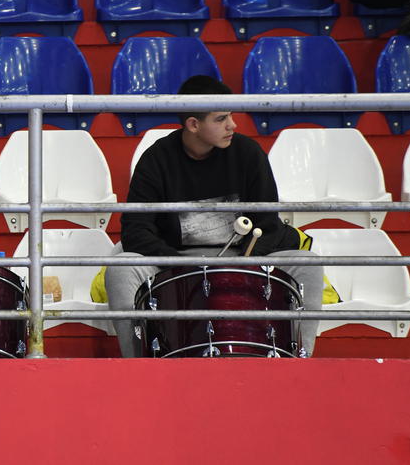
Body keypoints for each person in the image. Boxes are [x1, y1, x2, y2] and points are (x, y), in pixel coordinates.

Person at [105, 75, 323, 358]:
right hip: (175, 262)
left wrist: (241, 264)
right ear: (193, 124)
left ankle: (300, 361)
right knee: (121, 268)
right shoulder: (157, 159)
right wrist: (179, 264)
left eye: (230, 116)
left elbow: (268, 224)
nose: (232, 125)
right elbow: (135, 230)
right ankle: (137, 365)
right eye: (221, 119)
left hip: (243, 259)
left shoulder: (248, 153)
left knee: (307, 263)